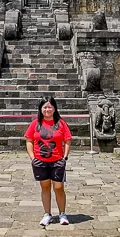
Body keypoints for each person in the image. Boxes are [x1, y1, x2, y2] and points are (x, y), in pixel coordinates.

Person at [24, 96, 72, 226]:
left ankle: (62, 213)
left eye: (50, 106)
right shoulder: (35, 123)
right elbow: (29, 140)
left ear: (54, 108)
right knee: (45, 187)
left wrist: (65, 157)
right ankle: (47, 214)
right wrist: (33, 158)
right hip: (40, 160)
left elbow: (67, 140)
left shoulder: (61, 123)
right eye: (44, 107)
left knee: (59, 187)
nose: (47, 109)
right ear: (40, 109)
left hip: (57, 160)